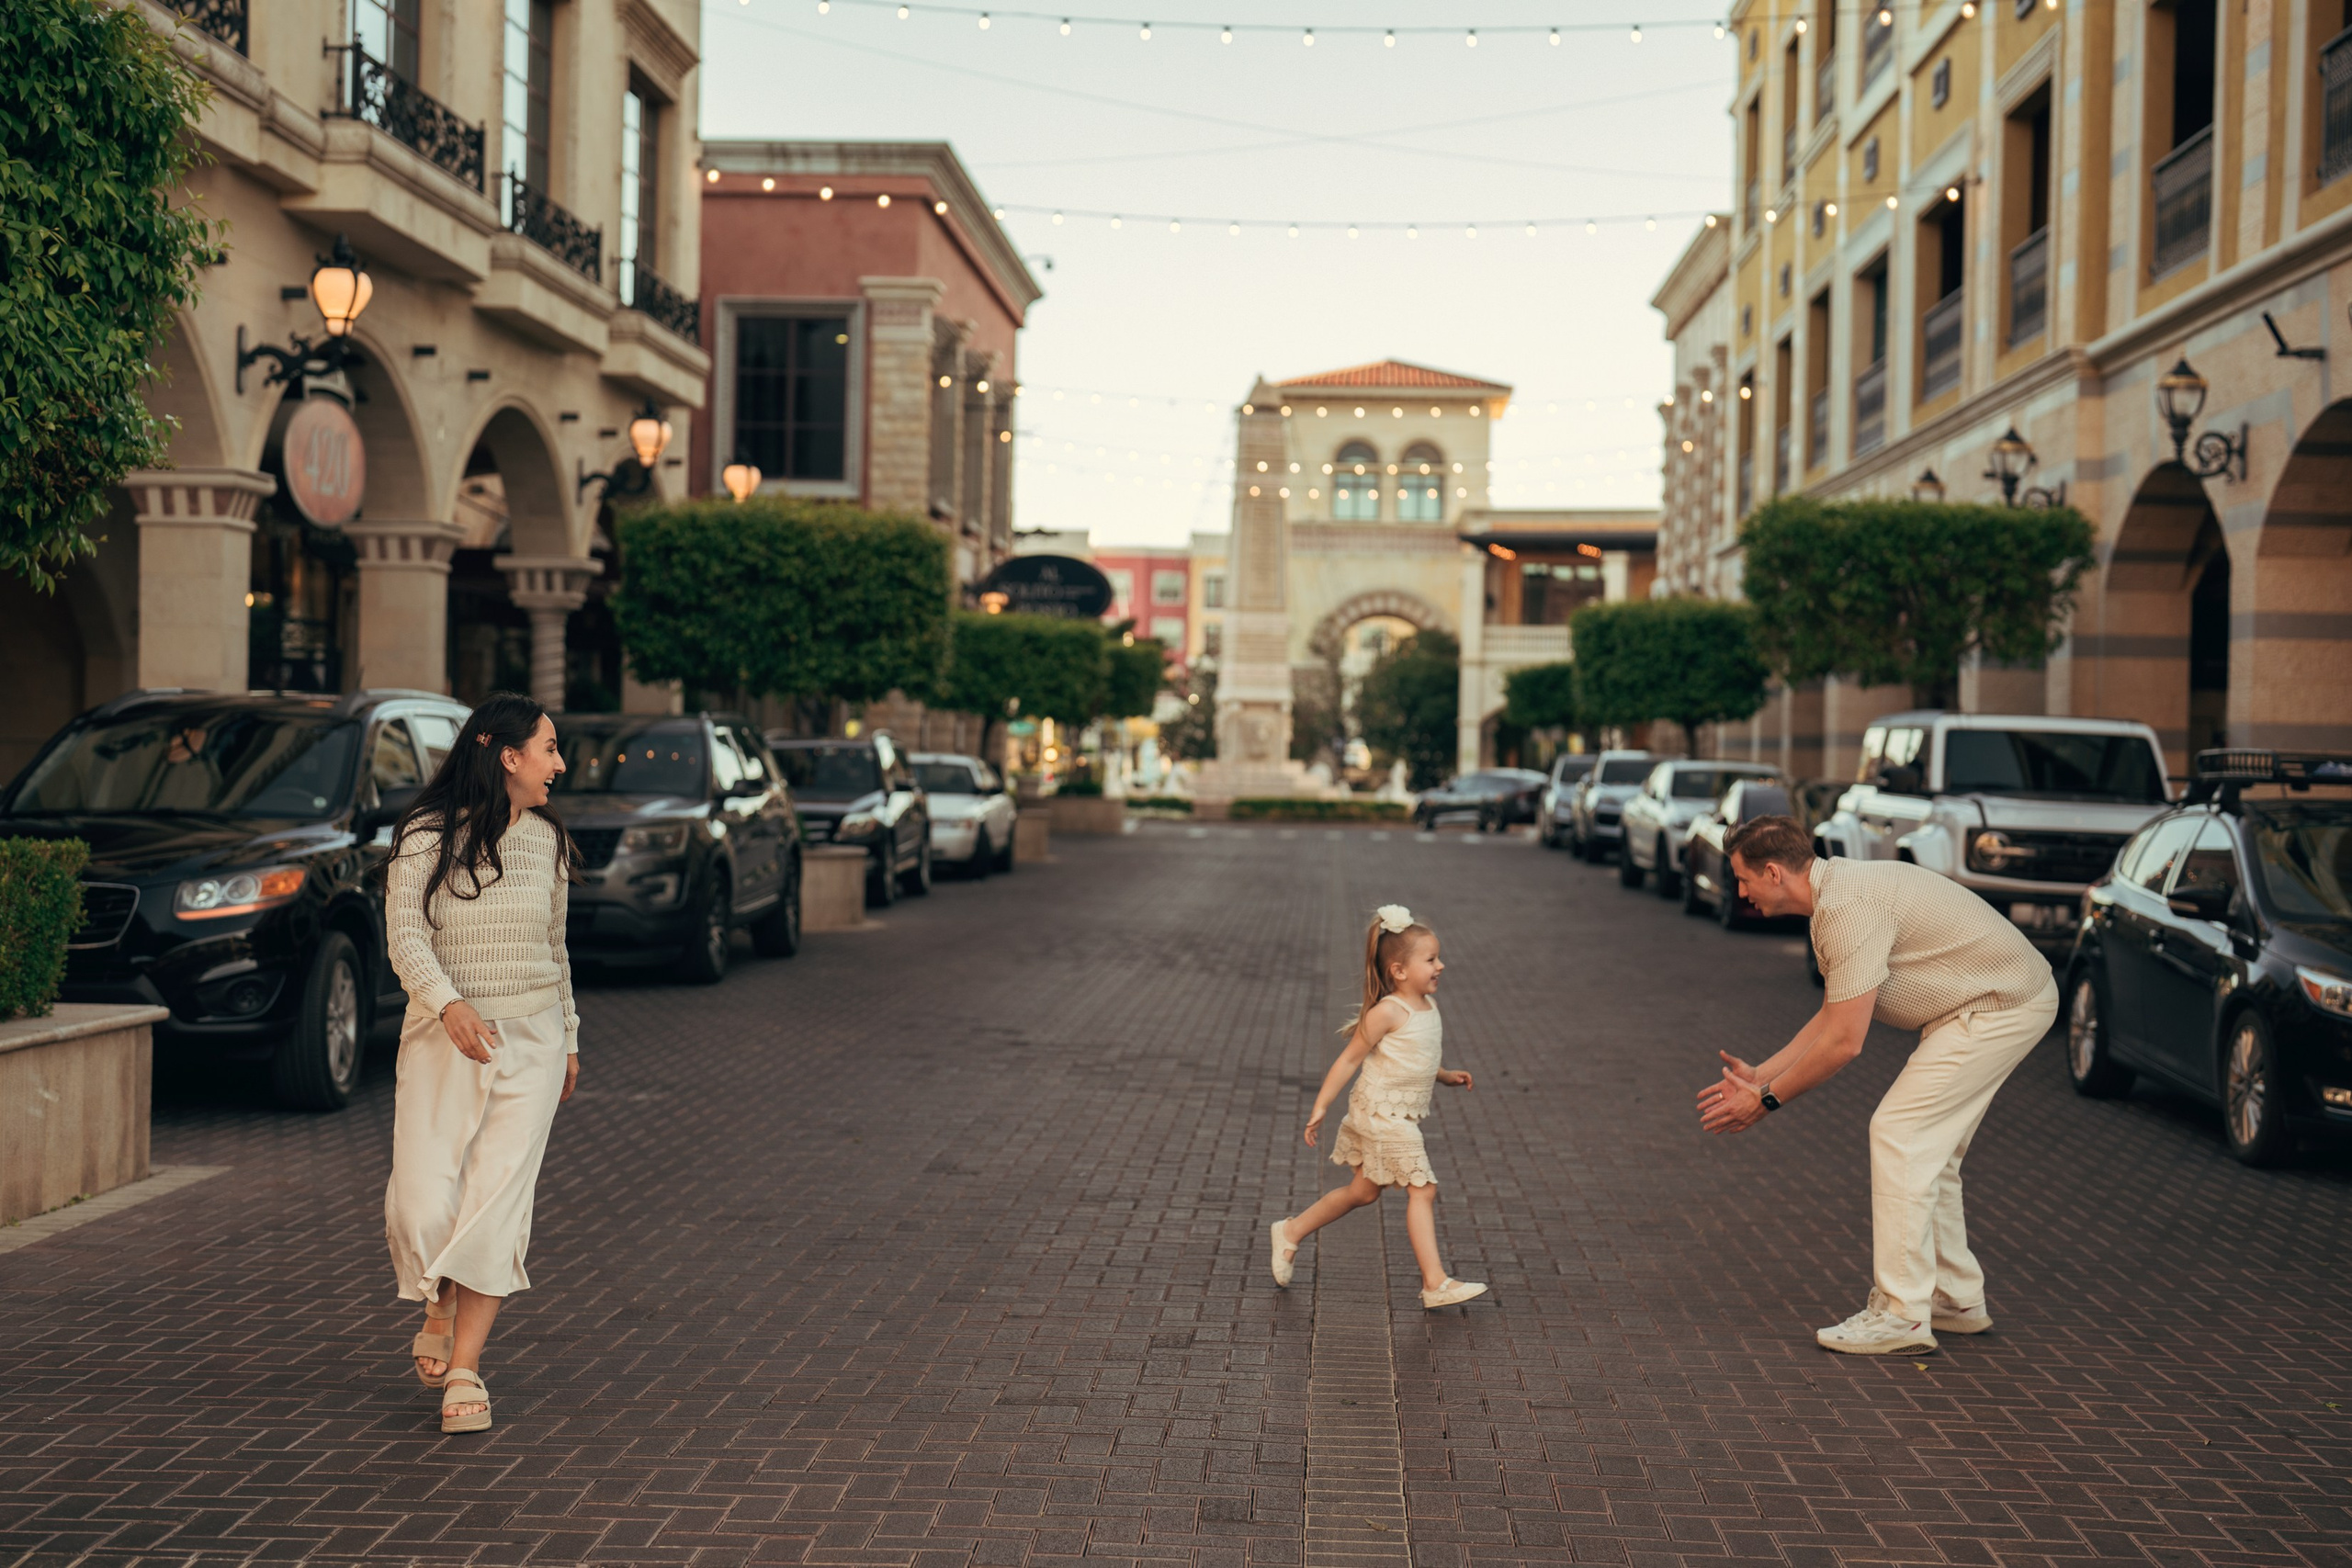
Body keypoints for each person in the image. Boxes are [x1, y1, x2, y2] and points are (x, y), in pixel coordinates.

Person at [1696, 816, 2059, 1355]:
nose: (1741, 891)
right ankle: (1953, 1297)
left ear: (1773, 872)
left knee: (1900, 1133)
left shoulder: (1847, 909)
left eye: (1745, 879)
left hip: (1999, 1006)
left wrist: (1767, 1101)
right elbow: (1832, 1015)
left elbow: (1845, 1042)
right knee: (1930, 1152)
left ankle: (1902, 1316)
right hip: (1986, 1004)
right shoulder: (1835, 897)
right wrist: (1762, 1074)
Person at [382, 692, 581, 1434]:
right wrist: (448, 1002)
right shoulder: (425, 834)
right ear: (508, 756)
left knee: (498, 1202)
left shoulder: (549, 841)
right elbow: (406, 935)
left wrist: (569, 1034)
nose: (558, 764)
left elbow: (556, 949)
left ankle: (467, 1367)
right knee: (423, 1202)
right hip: (443, 1036)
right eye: (550, 748)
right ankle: (438, 1294)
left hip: (531, 1041)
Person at [1268, 904, 1487, 1309]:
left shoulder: (1427, 1005)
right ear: (1399, 971)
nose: (1441, 965)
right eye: (1431, 959)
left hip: (1396, 1111)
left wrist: (1445, 1075)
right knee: (1423, 1188)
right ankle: (1435, 1283)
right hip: (1379, 1112)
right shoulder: (1388, 1011)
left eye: (1439, 957)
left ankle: (1291, 1231)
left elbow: (1416, 1058)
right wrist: (1321, 1106)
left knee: (1362, 1193)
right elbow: (1349, 1059)